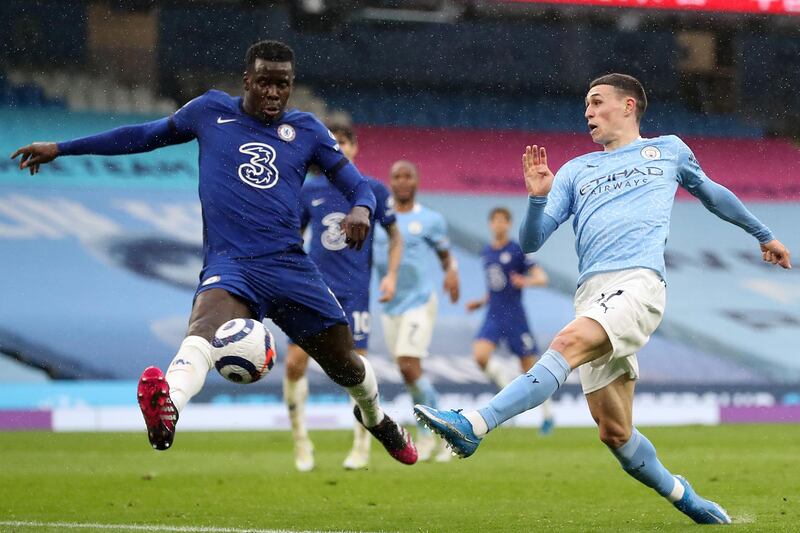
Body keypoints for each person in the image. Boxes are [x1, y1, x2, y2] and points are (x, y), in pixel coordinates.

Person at [11, 40, 417, 466]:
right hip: (232, 265)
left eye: (283, 84)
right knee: (202, 330)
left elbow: (356, 185)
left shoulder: (308, 130)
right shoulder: (209, 112)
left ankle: (377, 420)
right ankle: (168, 413)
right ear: (247, 80)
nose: (274, 93)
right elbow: (141, 136)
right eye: (265, 83)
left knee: (346, 365)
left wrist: (361, 209)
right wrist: (63, 147)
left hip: (289, 266)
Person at [415, 73, 791, 523]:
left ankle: (474, 425)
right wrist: (537, 198)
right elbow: (531, 242)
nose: (587, 112)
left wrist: (763, 234)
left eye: (596, 103)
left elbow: (712, 194)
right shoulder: (575, 170)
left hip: (639, 284)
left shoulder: (668, 149)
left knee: (566, 345)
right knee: (615, 433)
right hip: (591, 292)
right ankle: (687, 499)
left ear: (628, 105)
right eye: (586, 106)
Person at [284, 123, 403, 472]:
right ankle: (301, 443)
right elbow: (294, 235)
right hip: (312, 291)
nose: (337, 148)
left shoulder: (373, 190)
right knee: (294, 364)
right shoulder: (309, 191)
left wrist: (391, 275)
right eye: (331, 144)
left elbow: (395, 236)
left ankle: (361, 445)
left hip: (354, 292)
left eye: (343, 143)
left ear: (354, 147)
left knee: (357, 369)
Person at [374, 160, 460, 462]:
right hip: (390, 305)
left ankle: (430, 435)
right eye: (396, 176)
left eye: (408, 175)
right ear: (391, 182)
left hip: (421, 302)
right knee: (407, 371)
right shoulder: (380, 219)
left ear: (416, 181)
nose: (402, 181)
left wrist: (452, 272)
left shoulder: (430, 220)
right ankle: (445, 428)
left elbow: (446, 256)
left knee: (409, 365)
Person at [465, 206, 554, 435]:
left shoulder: (517, 250)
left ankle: (547, 415)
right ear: (490, 224)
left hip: (515, 316)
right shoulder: (487, 252)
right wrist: (481, 302)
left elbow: (542, 278)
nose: (499, 225)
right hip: (493, 314)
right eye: (495, 221)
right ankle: (507, 395)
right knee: (480, 355)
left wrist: (526, 281)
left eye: (503, 221)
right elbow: (497, 286)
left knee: (531, 369)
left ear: (509, 224)